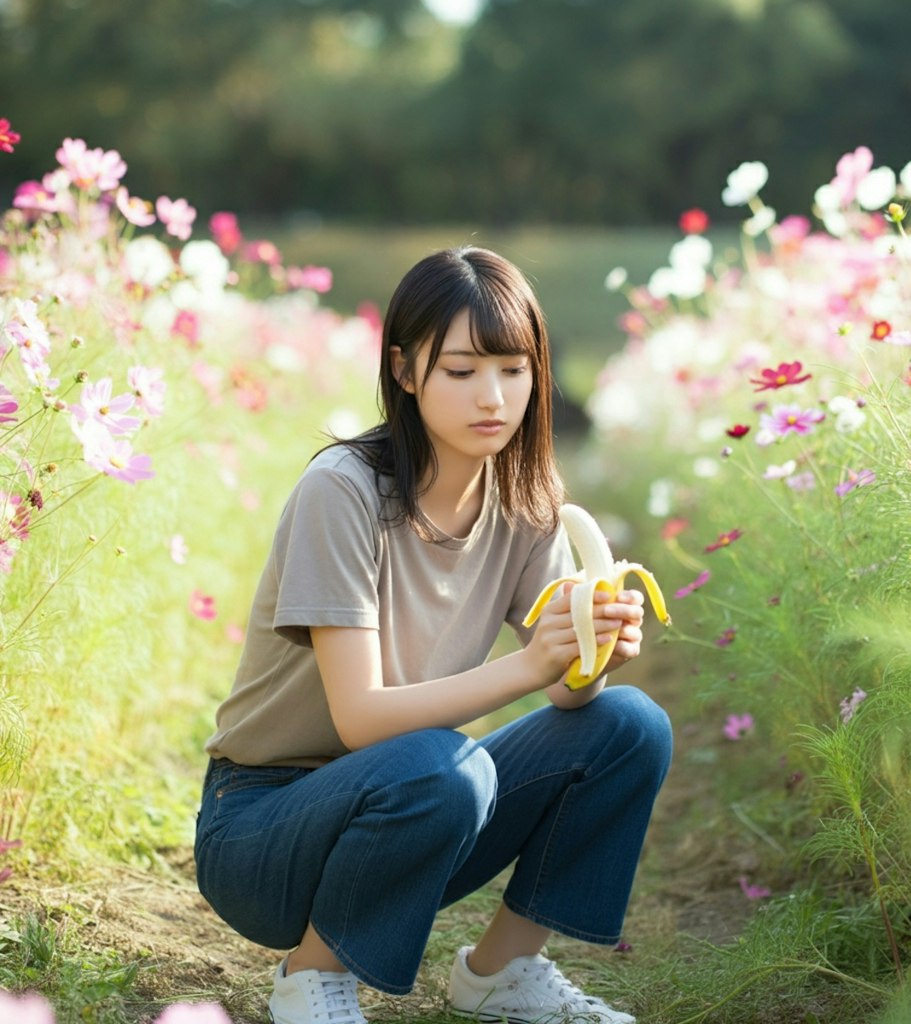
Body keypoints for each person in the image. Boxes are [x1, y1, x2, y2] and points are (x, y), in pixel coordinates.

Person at [193, 246, 673, 1024]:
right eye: (461, 371)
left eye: (514, 370)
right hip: (264, 828)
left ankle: (502, 973)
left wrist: (594, 651)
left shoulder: (527, 502)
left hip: (412, 809)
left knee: (629, 726)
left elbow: (566, 690)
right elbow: (361, 719)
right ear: (406, 371)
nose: (494, 397)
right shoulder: (341, 494)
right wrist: (529, 666)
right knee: (442, 765)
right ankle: (311, 979)